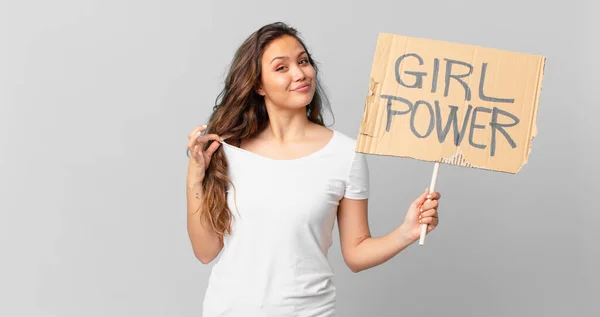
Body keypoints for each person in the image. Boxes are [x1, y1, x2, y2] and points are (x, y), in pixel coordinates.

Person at [185, 22, 441, 317]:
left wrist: (406, 232)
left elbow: (356, 253)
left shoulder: (345, 154)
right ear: (257, 84)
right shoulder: (227, 151)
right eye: (281, 68)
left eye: (303, 61)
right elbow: (205, 251)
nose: (300, 73)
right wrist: (195, 177)